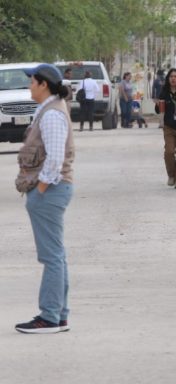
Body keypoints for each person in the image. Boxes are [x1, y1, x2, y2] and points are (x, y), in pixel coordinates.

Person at [14, 63, 75, 333]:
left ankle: (49, 317)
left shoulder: (52, 115)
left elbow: (55, 159)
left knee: (51, 257)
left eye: (32, 81)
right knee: (56, 256)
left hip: (50, 190)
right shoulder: (49, 110)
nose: (29, 85)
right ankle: (58, 315)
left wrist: (39, 191)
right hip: (51, 190)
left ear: (44, 84)